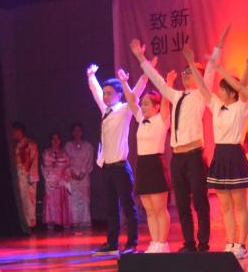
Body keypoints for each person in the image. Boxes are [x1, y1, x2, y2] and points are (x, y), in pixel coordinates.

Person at [133, 29, 226, 252]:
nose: (185, 75)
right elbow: (157, 80)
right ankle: (189, 242)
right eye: (184, 72)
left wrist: (215, 47)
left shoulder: (202, 94)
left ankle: (203, 242)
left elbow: (211, 68)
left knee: (199, 201)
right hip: (177, 157)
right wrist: (140, 57)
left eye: (189, 72)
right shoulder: (176, 95)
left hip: (194, 155)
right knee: (182, 202)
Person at [184, 43, 248, 259]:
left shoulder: (241, 106)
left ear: (232, 92)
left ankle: (241, 245)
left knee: (239, 205)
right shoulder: (216, 104)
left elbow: (243, 86)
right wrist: (191, 63)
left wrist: (246, 66)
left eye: (223, 89)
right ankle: (230, 242)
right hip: (220, 156)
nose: (219, 91)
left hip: (234, 155)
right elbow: (202, 87)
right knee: (225, 205)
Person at [86, 63, 148, 257]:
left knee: (128, 207)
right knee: (110, 208)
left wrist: (144, 74)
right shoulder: (105, 110)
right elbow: (95, 92)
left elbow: (135, 94)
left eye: (110, 93)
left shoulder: (124, 109)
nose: (105, 96)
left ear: (119, 95)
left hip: (121, 168)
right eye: (105, 93)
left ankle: (132, 243)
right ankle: (112, 243)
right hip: (106, 168)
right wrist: (91, 76)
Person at [120, 68, 172, 253]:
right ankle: (155, 241)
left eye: (146, 104)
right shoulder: (141, 119)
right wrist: (124, 82)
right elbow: (131, 101)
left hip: (155, 165)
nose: (142, 107)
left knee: (159, 208)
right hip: (142, 165)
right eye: (142, 104)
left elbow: (166, 99)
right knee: (149, 209)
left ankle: (162, 243)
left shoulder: (162, 119)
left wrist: (168, 83)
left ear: (156, 106)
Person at [65, 123, 95, 230]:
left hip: (84, 177)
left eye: (79, 130)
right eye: (75, 130)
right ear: (72, 132)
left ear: (82, 132)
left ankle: (84, 221)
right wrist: (72, 173)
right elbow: (66, 161)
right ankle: (74, 221)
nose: (77, 133)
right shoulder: (68, 145)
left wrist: (82, 173)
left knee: (84, 199)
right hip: (72, 176)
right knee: (73, 198)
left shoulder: (88, 146)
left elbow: (89, 161)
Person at [11, 122, 40, 232]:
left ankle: (29, 224)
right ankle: (21, 224)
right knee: (20, 200)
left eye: (14, 131)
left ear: (19, 131)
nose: (13, 134)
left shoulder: (30, 144)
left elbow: (34, 161)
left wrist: (32, 177)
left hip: (27, 176)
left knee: (28, 200)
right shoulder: (15, 145)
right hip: (17, 176)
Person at [42, 132, 73, 231]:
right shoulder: (46, 152)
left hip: (62, 180)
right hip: (50, 180)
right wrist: (50, 178)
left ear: (60, 140)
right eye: (53, 139)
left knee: (62, 201)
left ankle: (64, 222)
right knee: (51, 202)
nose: (55, 141)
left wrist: (65, 178)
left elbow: (68, 166)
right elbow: (45, 166)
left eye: (57, 139)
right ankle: (51, 222)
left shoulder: (64, 153)